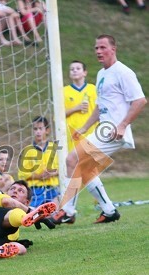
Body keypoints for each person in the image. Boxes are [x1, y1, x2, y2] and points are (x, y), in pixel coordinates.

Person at [47, 34, 146, 225]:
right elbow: (100, 107)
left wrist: (123, 125)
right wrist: (84, 127)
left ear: (113, 49)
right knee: (86, 169)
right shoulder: (102, 74)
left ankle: (66, 210)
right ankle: (109, 210)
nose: (98, 51)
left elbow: (140, 101)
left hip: (113, 130)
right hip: (103, 128)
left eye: (102, 47)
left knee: (72, 159)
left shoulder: (123, 72)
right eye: (96, 48)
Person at [0, 180, 56, 258]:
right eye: (12, 189)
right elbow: (7, 202)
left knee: (21, 248)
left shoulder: (15, 229)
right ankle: (28, 216)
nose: (15, 191)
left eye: (20, 191)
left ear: (27, 202)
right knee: (16, 211)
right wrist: (29, 211)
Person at [18, 116, 60, 209]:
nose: (38, 131)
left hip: (53, 188)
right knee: (34, 213)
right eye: (35, 129)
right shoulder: (27, 151)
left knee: (55, 212)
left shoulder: (54, 148)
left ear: (47, 130)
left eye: (40, 128)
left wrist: (53, 173)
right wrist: (39, 176)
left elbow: (63, 169)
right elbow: (22, 175)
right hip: (35, 190)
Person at [63, 60, 98, 152]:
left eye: (78, 68)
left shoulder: (94, 89)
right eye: (72, 69)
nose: (74, 71)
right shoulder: (63, 91)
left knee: (93, 165)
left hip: (92, 135)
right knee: (73, 164)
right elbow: (58, 116)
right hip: (72, 135)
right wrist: (75, 108)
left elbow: (101, 111)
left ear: (85, 73)